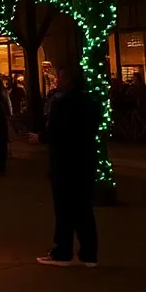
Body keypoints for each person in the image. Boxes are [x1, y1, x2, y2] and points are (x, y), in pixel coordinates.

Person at [29, 61, 100, 267]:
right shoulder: (90, 102)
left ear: (68, 81)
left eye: (60, 78)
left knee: (64, 209)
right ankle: (89, 253)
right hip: (85, 161)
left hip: (64, 163)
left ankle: (63, 251)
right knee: (84, 208)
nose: (57, 81)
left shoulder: (62, 103)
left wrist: (40, 138)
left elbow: (57, 131)